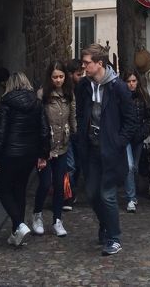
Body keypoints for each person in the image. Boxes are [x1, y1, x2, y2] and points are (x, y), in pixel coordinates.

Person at [76, 43, 137, 256]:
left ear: (99, 63)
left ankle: (114, 238)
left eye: (87, 63)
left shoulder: (118, 87)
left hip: (111, 150)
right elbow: (81, 113)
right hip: (91, 149)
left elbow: (130, 120)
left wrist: (118, 142)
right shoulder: (83, 86)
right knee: (92, 193)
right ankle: (105, 224)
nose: (83, 66)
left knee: (107, 194)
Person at [0, 71, 50, 247]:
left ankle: (18, 224)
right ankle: (16, 233)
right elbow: (44, 130)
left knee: (3, 189)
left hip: (10, 153)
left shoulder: (6, 103)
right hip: (29, 154)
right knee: (20, 189)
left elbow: (0, 132)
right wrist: (43, 153)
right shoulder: (36, 103)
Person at [31, 60, 76, 237]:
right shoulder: (42, 95)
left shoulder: (69, 93)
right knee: (44, 183)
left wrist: (74, 132)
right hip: (45, 147)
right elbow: (37, 121)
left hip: (62, 144)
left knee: (59, 184)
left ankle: (57, 219)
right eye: (55, 77)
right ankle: (37, 214)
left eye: (61, 76)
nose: (58, 80)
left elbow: (72, 116)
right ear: (50, 78)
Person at [121, 69, 150, 212]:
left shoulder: (144, 96)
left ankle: (133, 195)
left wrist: (144, 133)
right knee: (129, 166)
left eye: (134, 81)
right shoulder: (121, 97)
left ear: (138, 82)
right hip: (126, 136)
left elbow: (149, 117)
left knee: (135, 167)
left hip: (138, 136)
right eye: (128, 81)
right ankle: (131, 198)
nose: (131, 84)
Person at [64, 58, 84, 208]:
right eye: (79, 74)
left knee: (78, 164)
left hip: (79, 132)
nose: (81, 77)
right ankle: (68, 196)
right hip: (68, 132)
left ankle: (72, 190)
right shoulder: (65, 90)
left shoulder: (83, 88)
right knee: (70, 165)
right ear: (70, 74)